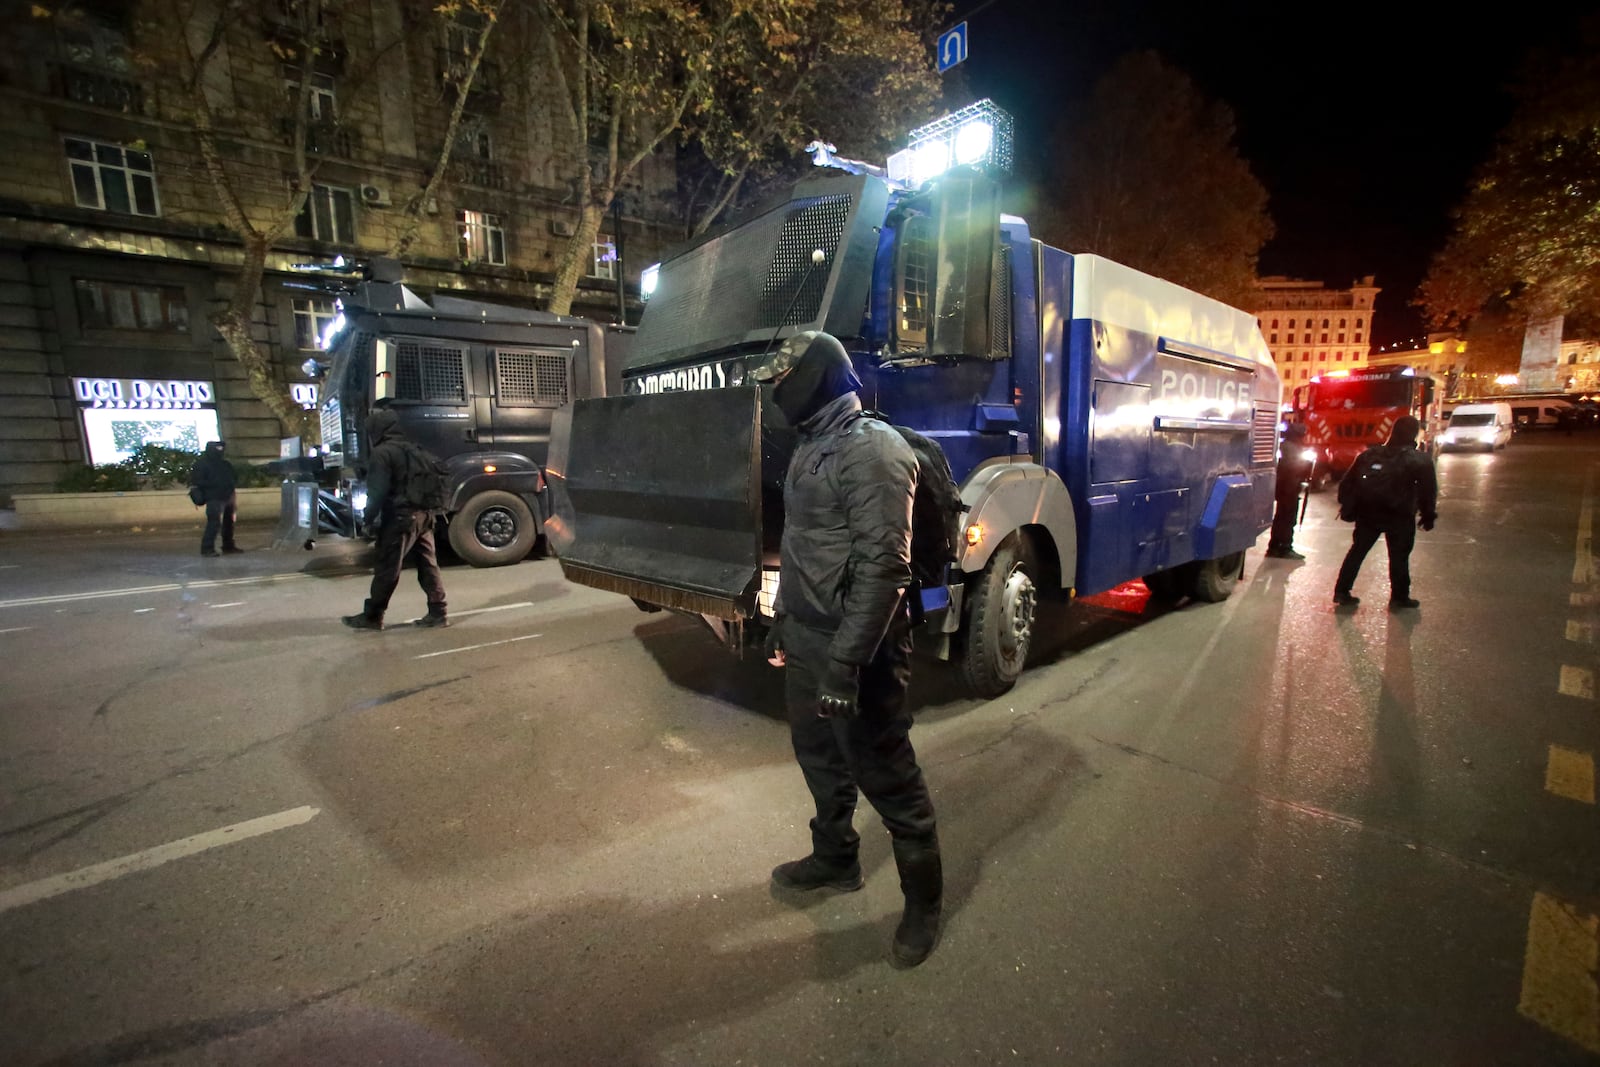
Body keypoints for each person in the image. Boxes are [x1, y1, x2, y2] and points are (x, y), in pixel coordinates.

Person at [750, 331, 943, 969]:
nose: (776, 389)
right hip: (808, 637)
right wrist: (782, 619)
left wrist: (845, 664)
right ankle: (836, 859)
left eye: (784, 378)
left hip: (860, 650)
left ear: (815, 380)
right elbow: (803, 545)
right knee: (819, 760)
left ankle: (923, 906)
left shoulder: (875, 452)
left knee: (885, 771)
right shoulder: (812, 444)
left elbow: (886, 569)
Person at [342, 408, 449, 630]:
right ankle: (439, 612)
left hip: (400, 518)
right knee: (428, 565)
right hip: (425, 517)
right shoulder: (414, 449)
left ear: (377, 430)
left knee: (387, 567)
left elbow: (378, 491)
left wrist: (367, 519)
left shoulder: (383, 453)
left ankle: (372, 616)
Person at [1332, 415, 1438, 610]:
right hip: (1400, 515)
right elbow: (1428, 491)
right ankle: (1399, 597)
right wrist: (1428, 515)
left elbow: (1347, 483)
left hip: (1368, 514)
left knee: (1357, 552)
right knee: (1399, 557)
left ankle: (1341, 591)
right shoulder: (1419, 460)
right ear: (1414, 433)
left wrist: (1349, 507)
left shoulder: (1369, 455)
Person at [1265, 422, 1313, 560]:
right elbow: (1294, 468)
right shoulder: (1293, 449)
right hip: (1289, 489)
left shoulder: (1284, 446)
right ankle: (1285, 547)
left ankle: (1274, 546)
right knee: (1287, 519)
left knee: (1280, 518)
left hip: (1283, 488)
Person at [188, 440, 240, 557]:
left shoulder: (225, 464)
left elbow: (232, 480)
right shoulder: (202, 464)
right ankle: (207, 548)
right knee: (214, 523)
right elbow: (198, 481)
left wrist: (232, 495)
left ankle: (228, 545)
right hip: (213, 498)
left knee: (228, 523)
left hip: (226, 496)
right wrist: (215, 484)